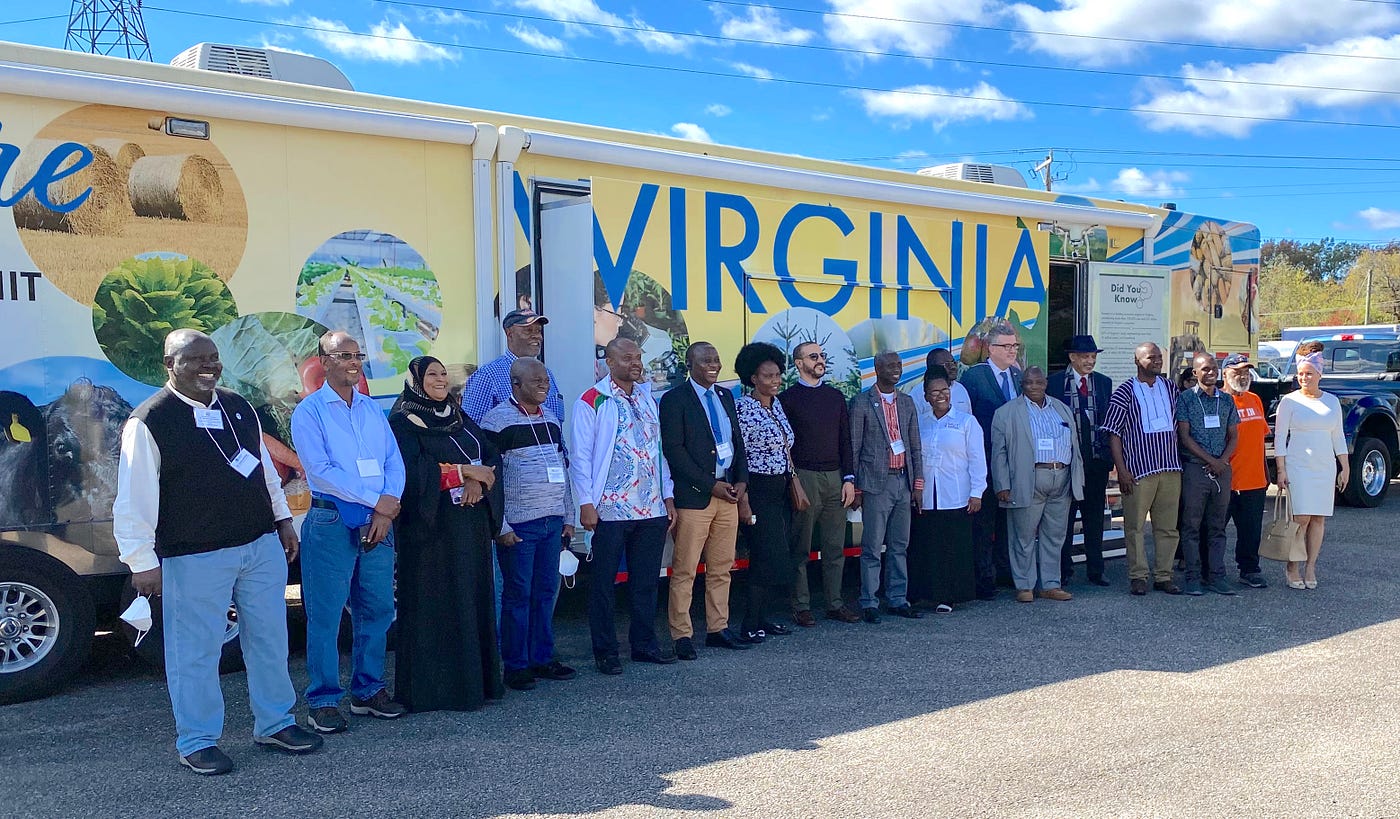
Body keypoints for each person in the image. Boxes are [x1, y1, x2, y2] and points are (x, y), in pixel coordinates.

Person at [114, 329, 322, 775]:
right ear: (168, 365)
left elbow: (265, 468)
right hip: (195, 555)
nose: (209, 367)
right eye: (195, 360)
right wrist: (141, 562)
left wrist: (283, 519)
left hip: (259, 545)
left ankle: (275, 723)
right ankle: (197, 740)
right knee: (196, 651)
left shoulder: (237, 405)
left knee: (270, 639)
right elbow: (133, 497)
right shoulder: (149, 421)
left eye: (214, 358)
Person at [291, 331, 407, 732]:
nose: (354, 362)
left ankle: (368, 690)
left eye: (358, 355)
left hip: (379, 520)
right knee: (325, 614)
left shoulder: (372, 410)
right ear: (324, 361)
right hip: (332, 519)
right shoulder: (309, 412)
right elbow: (321, 470)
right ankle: (322, 700)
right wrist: (378, 501)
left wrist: (387, 505)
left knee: (376, 607)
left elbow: (394, 460)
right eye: (344, 355)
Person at [389, 356, 506, 711]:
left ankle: (476, 685)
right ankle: (437, 692)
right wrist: (462, 474)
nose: (440, 380)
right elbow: (411, 472)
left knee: (471, 600)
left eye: (444, 373)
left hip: (469, 527)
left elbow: (489, 455)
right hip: (431, 535)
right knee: (437, 605)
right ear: (416, 380)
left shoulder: (458, 416)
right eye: (432, 375)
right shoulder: (403, 420)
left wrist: (479, 483)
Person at [571, 338, 677, 674]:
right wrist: (585, 504)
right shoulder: (592, 400)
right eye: (627, 357)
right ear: (608, 361)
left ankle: (644, 645)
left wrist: (668, 495)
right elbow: (581, 457)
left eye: (638, 356)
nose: (636, 362)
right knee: (603, 583)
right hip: (610, 509)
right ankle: (606, 651)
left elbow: (659, 450)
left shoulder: (648, 398)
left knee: (645, 581)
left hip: (650, 508)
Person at [481, 358, 578, 690]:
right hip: (519, 526)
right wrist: (502, 525)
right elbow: (491, 481)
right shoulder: (496, 422)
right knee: (518, 594)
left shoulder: (551, 419)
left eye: (546, 381)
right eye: (536, 380)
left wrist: (569, 516)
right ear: (516, 384)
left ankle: (542, 658)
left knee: (546, 592)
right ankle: (516, 665)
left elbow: (561, 469)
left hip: (552, 522)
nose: (543, 385)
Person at [659, 341, 751, 659]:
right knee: (685, 569)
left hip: (728, 493)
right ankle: (682, 635)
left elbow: (735, 441)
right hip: (695, 497)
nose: (713, 364)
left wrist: (740, 481)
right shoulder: (674, 400)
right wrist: (710, 485)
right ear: (690, 364)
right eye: (705, 360)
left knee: (721, 568)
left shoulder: (726, 395)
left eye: (716, 358)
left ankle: (717, 628)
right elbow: (675, 451)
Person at [778, 341, 860, 626]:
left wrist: (849, 479)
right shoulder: (788, 398)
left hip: (835, 478)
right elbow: (784, 445)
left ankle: (835, 603)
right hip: (804, 476)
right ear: (799, 363)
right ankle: (801, 605)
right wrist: (793, 480)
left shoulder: (835, 397)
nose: (820, 360)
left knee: (835, 546)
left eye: (822, 355)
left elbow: (845, 441)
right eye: (814, 356)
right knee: (800, 546)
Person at [991, 366, 1082, 603]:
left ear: (1045, 383)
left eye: (1038, 382)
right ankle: (1025, 585)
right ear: (1022, 384)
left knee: (1055, 536)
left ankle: (1050, 584)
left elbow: (1074, 444)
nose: (1034, 387)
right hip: (1027, 479)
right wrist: (1002, 483)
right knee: (1023, 536)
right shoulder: (1006, 413)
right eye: (1029, 382)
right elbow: (998, 452)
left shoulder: (1061, 409)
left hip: (1060, 478)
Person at [1101, 342, 1183, 597]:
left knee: (1168, 527)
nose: (1157, 361)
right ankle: (1138, 576)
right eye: (1151, 357)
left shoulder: (1170, 387)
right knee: (1135, 527)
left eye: (1159, 357)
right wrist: (1121, 470)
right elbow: (1113, 433)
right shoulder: (1125, 391)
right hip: (1138, 471)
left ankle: (1164, 575)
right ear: (1137, 361)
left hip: (1170, 467)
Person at [850, 350, 924, 622]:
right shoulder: (861, 403)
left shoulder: (906, 403)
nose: (896, 369)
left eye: (899, 364)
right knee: (871, 546)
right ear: (877, 369)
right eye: (890, 365)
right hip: (875, 484)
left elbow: (915, 445)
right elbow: (855, 447)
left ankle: (897, 599)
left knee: (899, 545)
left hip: (903, 480)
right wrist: (856, 488)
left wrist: (918, 484)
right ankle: (869, 602)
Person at [733, 342, 799, 642]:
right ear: (752, 378)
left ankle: (764, 617)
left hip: (781, 489)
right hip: (758, 490)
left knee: (775, 557)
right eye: (767, 375)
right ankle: (749, 623)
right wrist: (744, 499)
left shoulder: (777, 405)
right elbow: (740, 454)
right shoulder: (743, 408)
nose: (775, 380)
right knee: (764, 555)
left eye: (777, 375)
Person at [908, 371, 985, 611]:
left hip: (957, 495)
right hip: (927, 497)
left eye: (945, 390)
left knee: (952, 548)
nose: (941, 395)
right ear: (926, 397)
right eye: (935, 392)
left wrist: (977, 492)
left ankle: (948, 597)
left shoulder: (966, 422)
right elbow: (915, 459)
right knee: (926, 546)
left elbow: (977, 459)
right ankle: (924, 594)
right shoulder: (920, 423)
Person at [1274, 350, 1349, 590]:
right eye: (1300, 374)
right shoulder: (1290, 401)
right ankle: (1293, 566)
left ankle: (1311, 566)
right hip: (1298, 465)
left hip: (1324, 466)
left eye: (1308, 374)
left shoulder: (1332, 401)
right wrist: (1281, 470)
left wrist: (1344, 466)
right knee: (1301, 518)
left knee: (1318, 518)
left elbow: (1337, 435)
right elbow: (1279, 437)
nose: (1304, 378)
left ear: (1319, 374)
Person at [959, 323, 1022, 600]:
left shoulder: (1019, 377)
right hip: (984, 461)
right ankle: (983, 579)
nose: (1011, 351)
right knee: (984, 524)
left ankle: (1005, 571)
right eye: (1006, 346)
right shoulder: (974, 377)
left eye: (1014, 346)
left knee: (1009, 521)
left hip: (1013, 462)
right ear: (990, 348)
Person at [1047, 335, 1113, 587]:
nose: (1090, 360)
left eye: (1093, 356)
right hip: (1067, 463)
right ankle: (1064, 569)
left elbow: (1108, 422)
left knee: (1094, 518)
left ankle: (1096, 570)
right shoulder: (1054, 383)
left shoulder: (1103, 383)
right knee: (1064, 517)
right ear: (1072, 357)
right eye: (1085, 356)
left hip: (1095, 462)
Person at [1175, 352, 1240, 597]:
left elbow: (1234, 435)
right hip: (1195, 469)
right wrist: (1210, 460)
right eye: (1205, 369)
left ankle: (1216, 576)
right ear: (1195, 373)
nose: (1211, 372)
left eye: (1214, 368)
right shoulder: (1186, 400)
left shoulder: (1226, 401)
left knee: (1217, 526)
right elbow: (1184, 436)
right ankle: (1192, 578)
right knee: (1191, 526)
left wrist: (1221, 461)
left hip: (1221, 471)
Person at [461, 308, 565, 424]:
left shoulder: (547, 374)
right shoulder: (488, 375)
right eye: (528, 331)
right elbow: (472, 428)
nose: (536, 336)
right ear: (509, 334)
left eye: (538, 331)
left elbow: (557, 428)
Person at [1220, 354, 1270, 589]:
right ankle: (1212, 571)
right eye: (1237, 371)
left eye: (1246, 372)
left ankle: (1249, 570)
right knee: (1215, 530)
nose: (1243, 376)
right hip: (1225, 480)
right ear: (1225, 374)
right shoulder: (1219, 401)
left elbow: (1260, 438)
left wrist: (1266, 472)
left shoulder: (1255, 400)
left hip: (1254, 480)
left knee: (1251, 532)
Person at [911, 347, 972, 417]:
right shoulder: (917, 394)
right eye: (947, 364)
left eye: (954, 363)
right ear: (932, 367)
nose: (953, 367)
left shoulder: (961, 389)